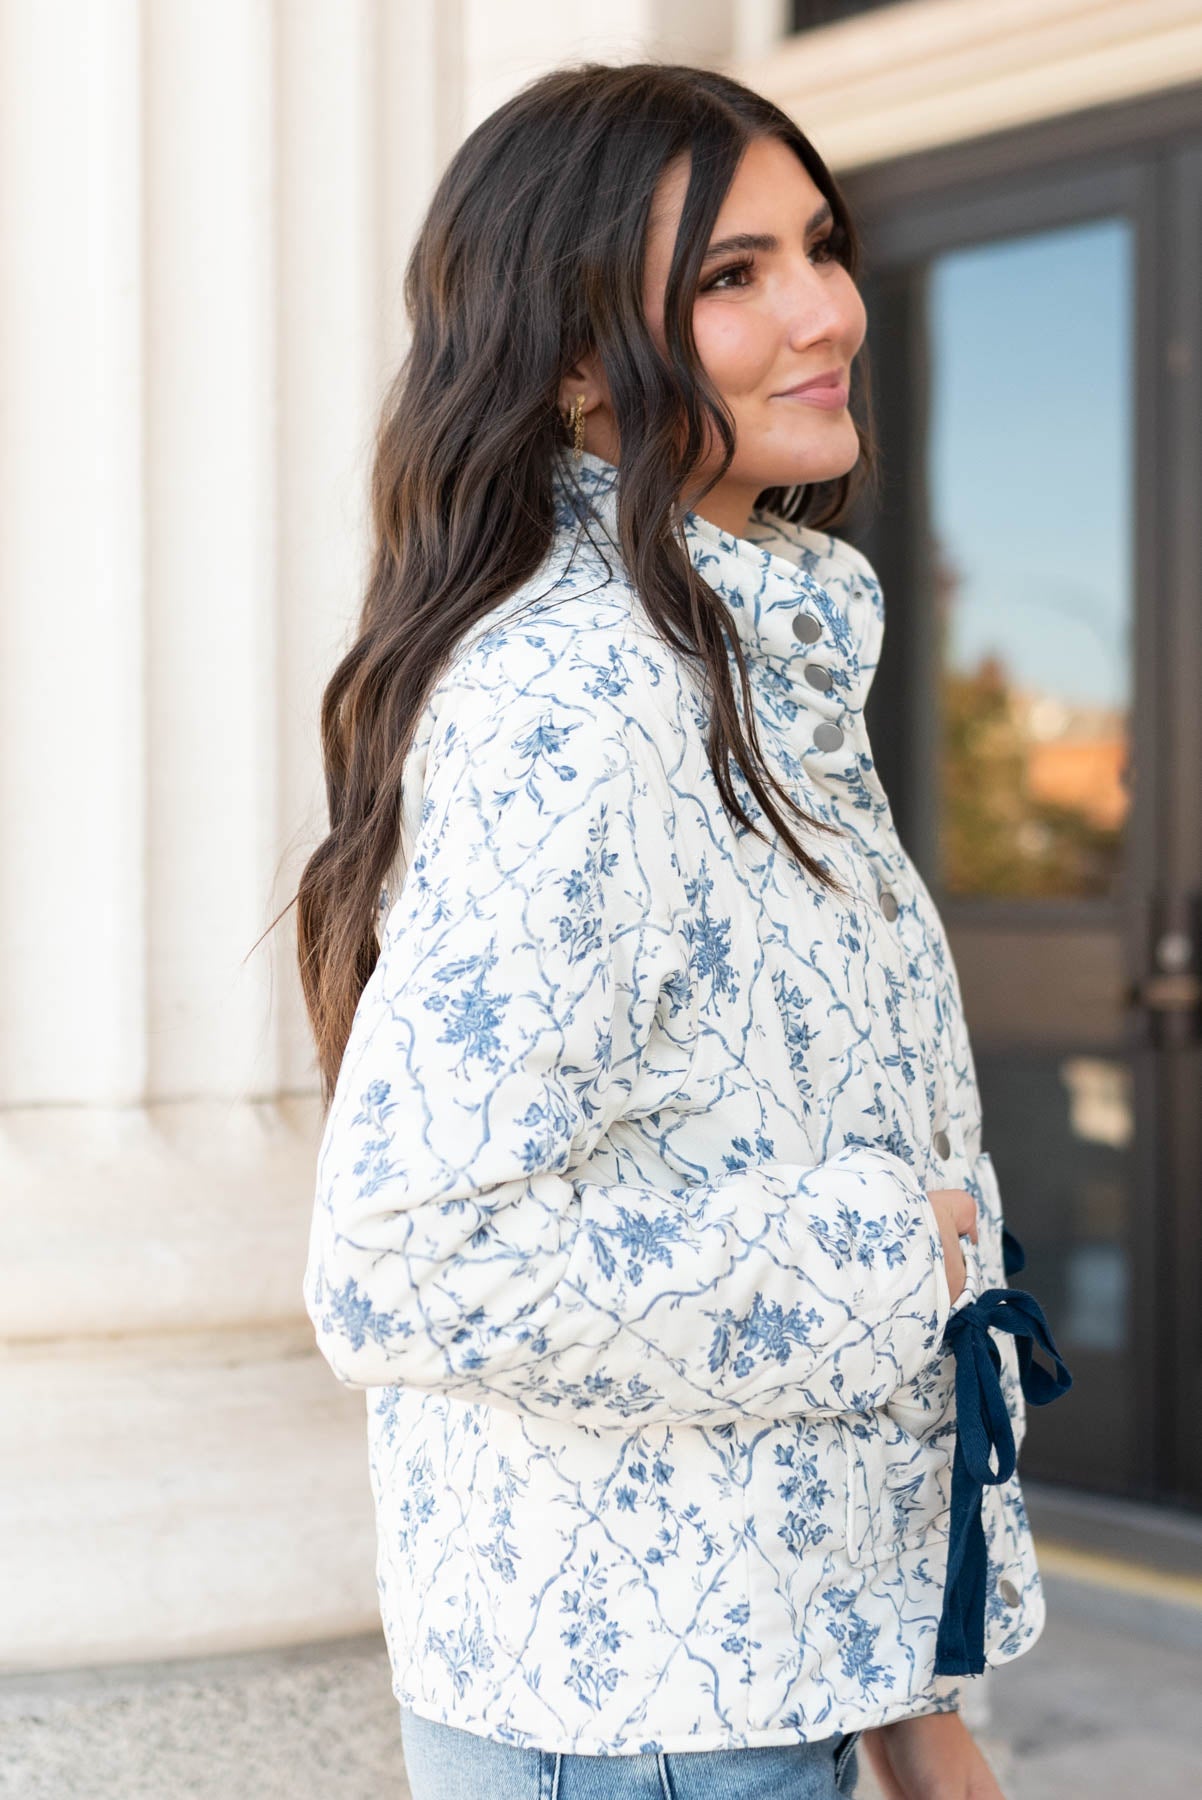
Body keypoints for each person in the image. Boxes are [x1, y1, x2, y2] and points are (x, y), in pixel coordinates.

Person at [296, 60, 1070, 1800]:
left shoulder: (742, 660)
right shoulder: (586, 698)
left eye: (819, 245)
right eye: (731, 276)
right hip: (639, 1720)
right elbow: (411, 1257)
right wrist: (908, 1263)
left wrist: (914, 1708)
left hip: (762, 1664)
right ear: (576, 358)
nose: (824, 311)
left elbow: (760, 1138)